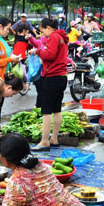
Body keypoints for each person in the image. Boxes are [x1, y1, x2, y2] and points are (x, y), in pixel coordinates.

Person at [31, 18, 68, 151]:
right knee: (57, 109)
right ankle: (54, 139)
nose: (43, 35)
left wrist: (38, 51)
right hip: (62, 76)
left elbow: (50, 55)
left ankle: (45, 141)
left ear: (48, 28)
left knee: (46, 110)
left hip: (52, 77)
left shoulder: (54, 37)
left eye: (42, 31)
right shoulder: (62, 37)